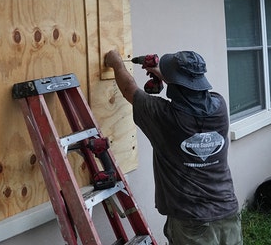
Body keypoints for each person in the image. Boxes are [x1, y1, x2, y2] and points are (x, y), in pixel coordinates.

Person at [104, 49, 242, 245]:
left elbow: (129, 89)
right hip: (228, 213)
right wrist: (167, 75)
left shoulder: (164, 117)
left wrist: (116, 62)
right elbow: (192, 95)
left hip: (191, 222)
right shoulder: (219, 106)